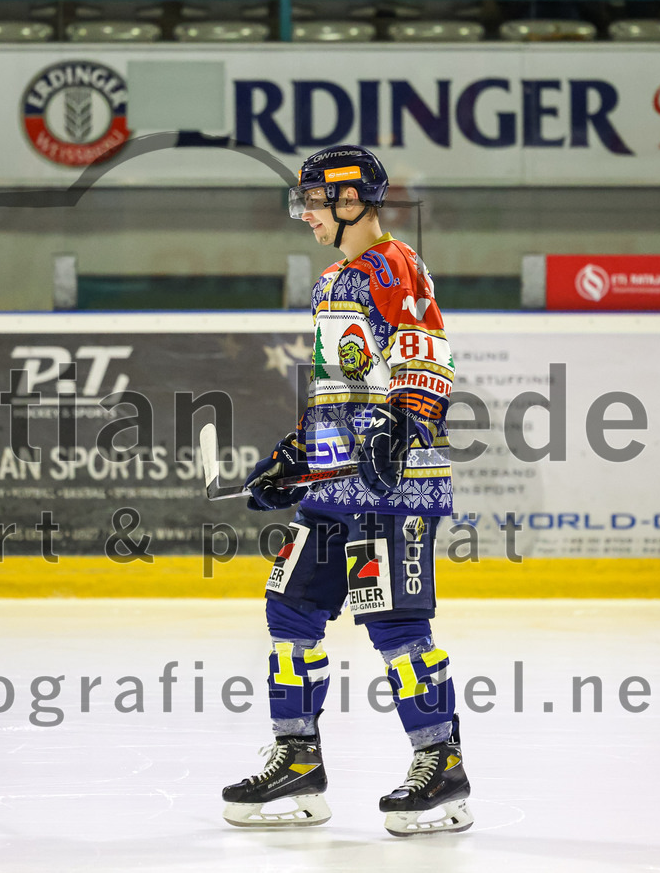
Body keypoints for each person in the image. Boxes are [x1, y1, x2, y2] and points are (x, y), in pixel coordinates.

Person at [221, 145, 472, 837]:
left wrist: (407, 423)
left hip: (397, 487)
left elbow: (428, 353)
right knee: (291, 604)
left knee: (395, 624)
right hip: (337, 485)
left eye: (313, 201)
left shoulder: (395, 265)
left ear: (352, 199)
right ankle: (297, 758)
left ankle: (441, 764)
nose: (305, 214)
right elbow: (342, 389)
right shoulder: (333, 281)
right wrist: (296, 457)